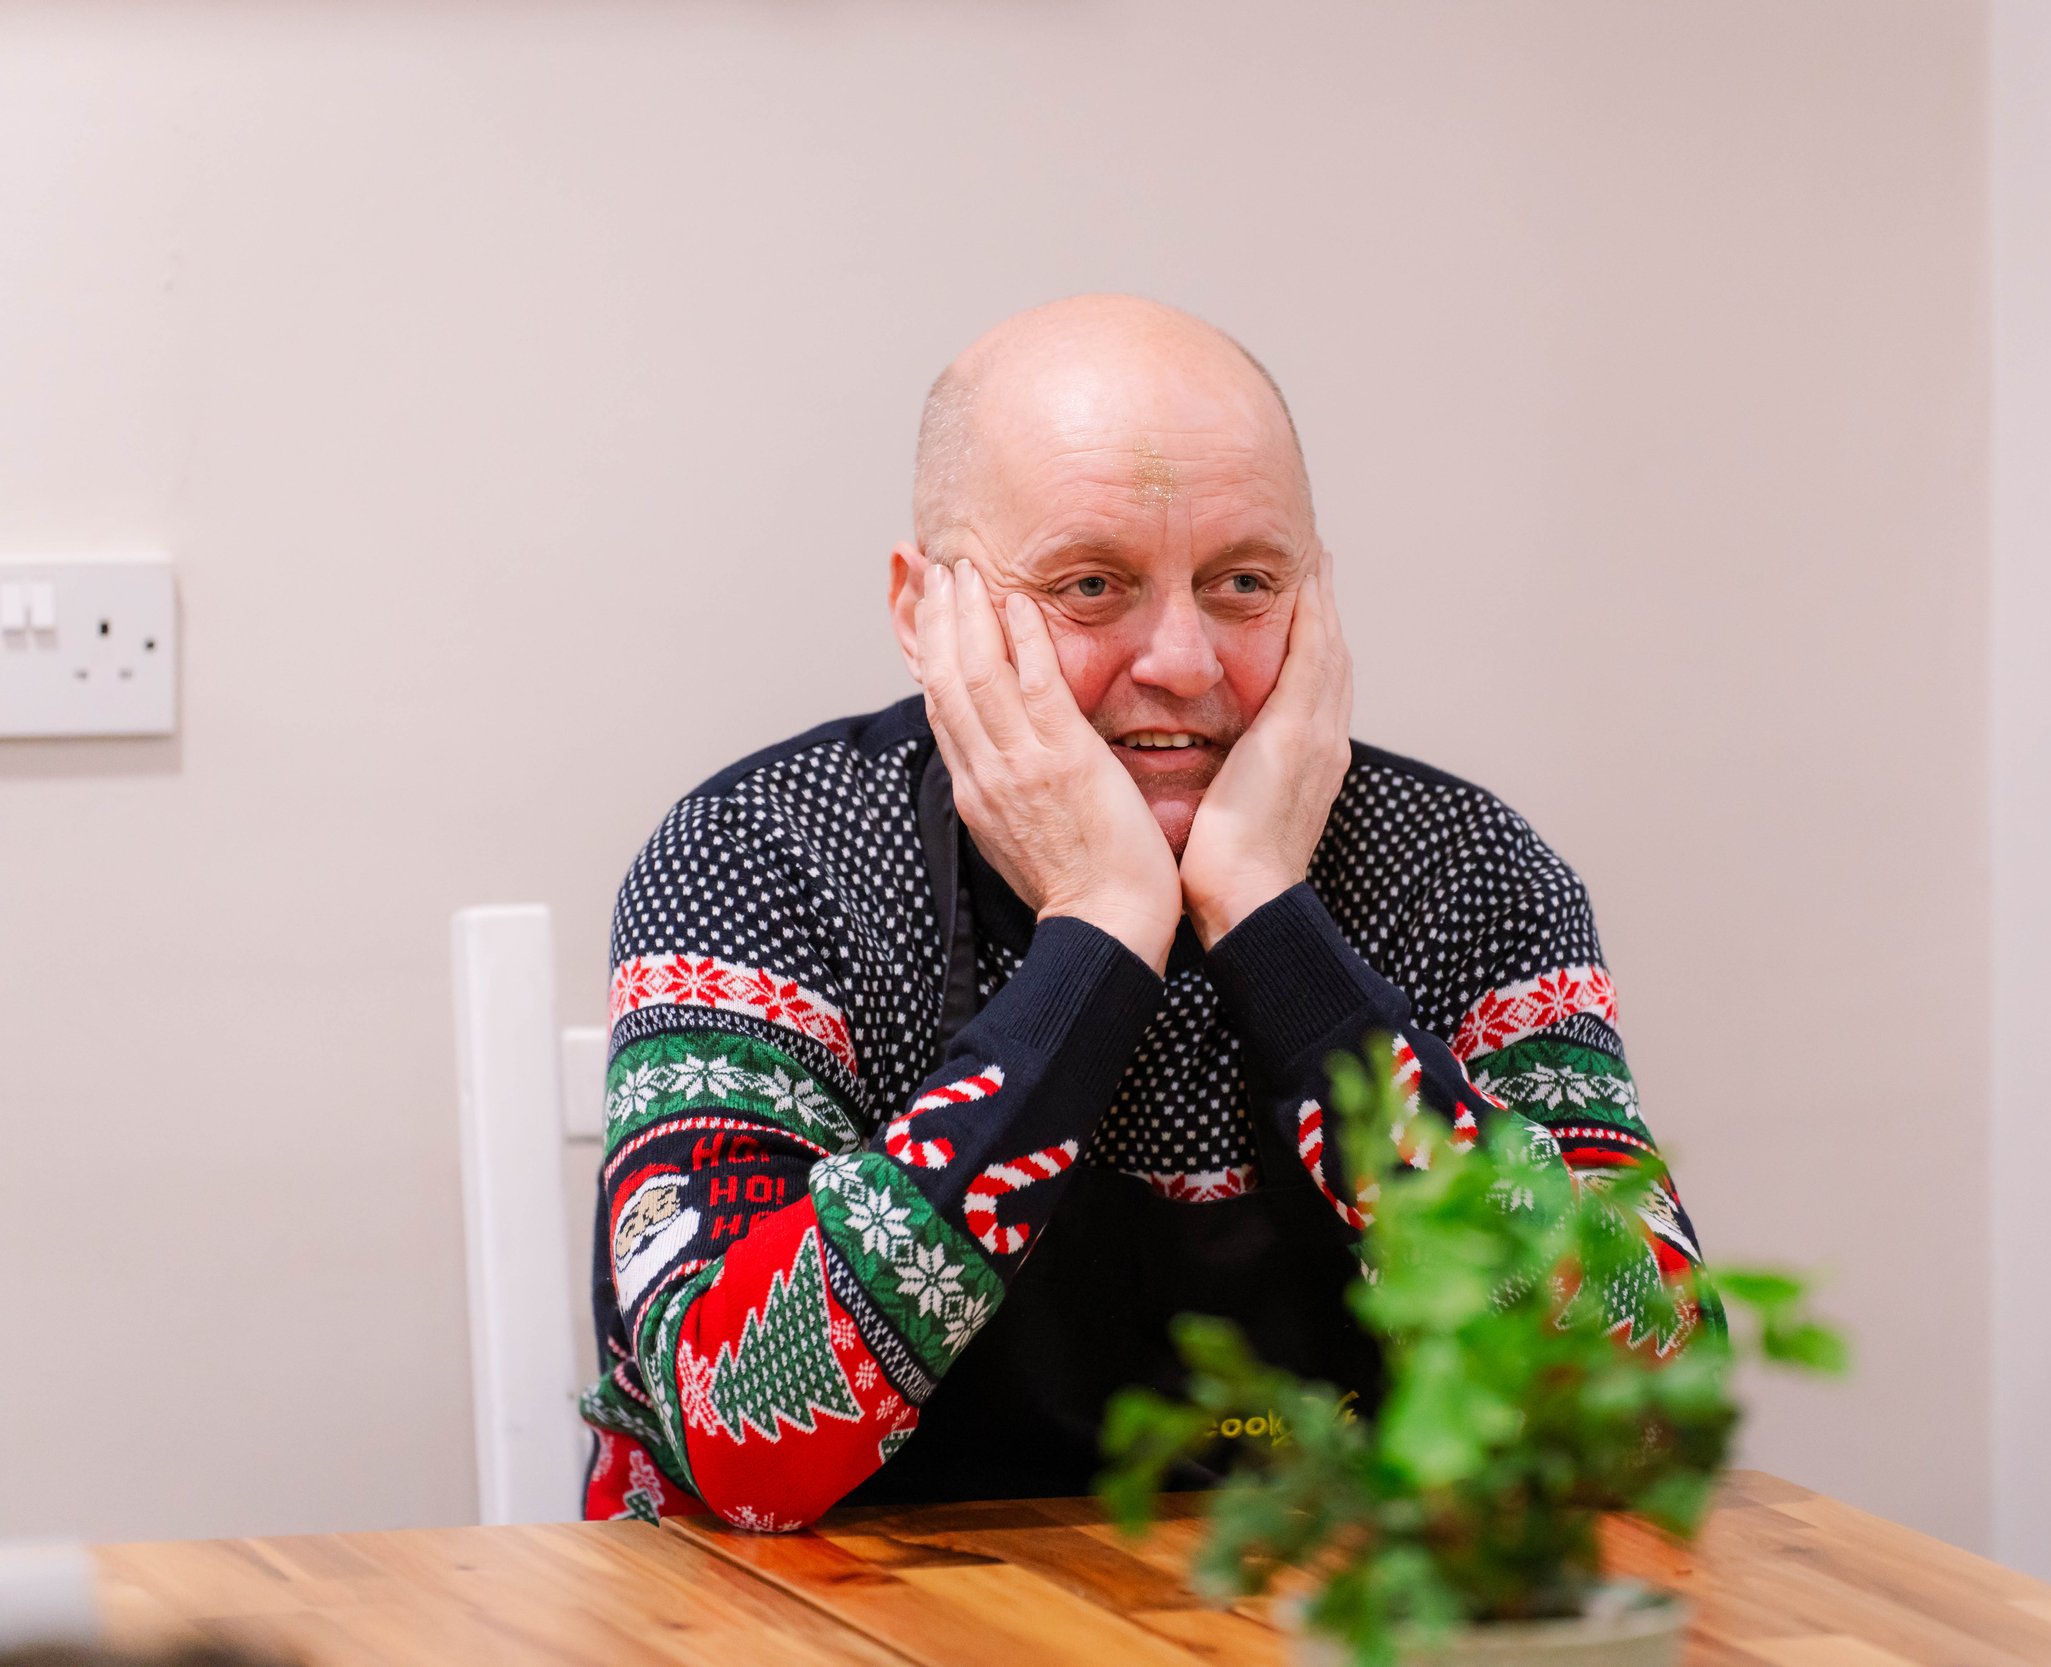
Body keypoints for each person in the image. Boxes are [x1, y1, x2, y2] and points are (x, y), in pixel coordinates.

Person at [578, 296, 1708, 1529]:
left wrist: (1273, 928)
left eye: (1242, 581)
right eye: (1091, 584)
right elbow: (741, 1430)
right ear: (922, 612)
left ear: (1315, 596)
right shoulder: (765, 856)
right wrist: (1101, 926)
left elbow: (1636, 1416)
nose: (1183, 659)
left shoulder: (1462, 871)